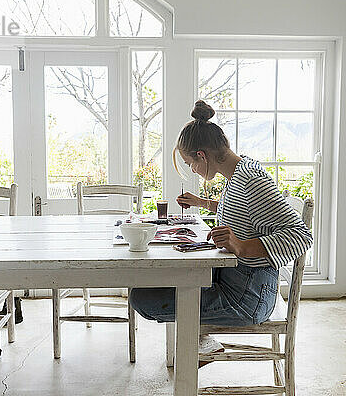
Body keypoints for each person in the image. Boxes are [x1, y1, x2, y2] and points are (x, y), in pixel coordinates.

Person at [129, 100, 313, 358]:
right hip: (234, 283)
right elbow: (242, 211)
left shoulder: (251, 180)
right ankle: (199, 339)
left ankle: (198, 340)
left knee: (142, 298)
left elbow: (300, 235)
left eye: (189, 163)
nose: (192, 169)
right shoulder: (239, 174)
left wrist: (241, 246)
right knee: (153, 284)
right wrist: (202, 203)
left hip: (248, 297)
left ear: (201, 155)